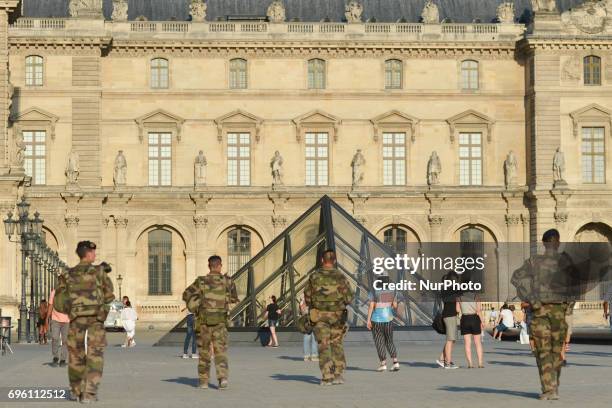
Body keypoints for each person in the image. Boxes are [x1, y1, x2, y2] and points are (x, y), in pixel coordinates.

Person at [511, 228, 573, 400]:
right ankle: (553, 389)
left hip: (539, 310)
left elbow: (516, 278)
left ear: (544, 243)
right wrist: (568, 306)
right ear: (558, 242)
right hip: (559, 311)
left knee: (543, 351)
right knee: (555, 351)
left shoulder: (534, 261)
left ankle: (548, 390)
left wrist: (531, 298)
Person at [55, 241, 115, 403]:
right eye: (93, 253)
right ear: (88, 254)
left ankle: (76, 391)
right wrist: (101, 307)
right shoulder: (100, 272)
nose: (95, 255)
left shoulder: (67, 275)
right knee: (95, 355)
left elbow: (58, 303)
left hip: (76, 320)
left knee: (76, 355)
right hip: (96, 320)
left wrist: (73, 310)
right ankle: (89, 393)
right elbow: (110, 296)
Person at [182, 255, 238, 390]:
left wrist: (197, 304)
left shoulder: (200, 281)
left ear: (209, 266)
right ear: (220, 266)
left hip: (203, 324)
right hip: (220, 324)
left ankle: (203, 381)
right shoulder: (227, 281)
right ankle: (222, 379)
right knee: (221, 352)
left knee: (204, 353)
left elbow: (185, 294)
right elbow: (234, 299)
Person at [304, 249, 354, 386]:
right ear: (335, 261)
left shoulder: (314, 276)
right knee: (337, 343)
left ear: (322, 260)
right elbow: (349, 297)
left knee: (324, 345)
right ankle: (338, 374)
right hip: (337, 317)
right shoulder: (340, 276)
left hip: (319, 316)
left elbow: (307, 297)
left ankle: (327, 376)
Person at [366, 275, 400, 372]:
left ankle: (383, 364)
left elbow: (371, 307)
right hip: (388, 319)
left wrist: (368, 320)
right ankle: (395, 362)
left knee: (379, 341)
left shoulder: (374, 292)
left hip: (376, 320)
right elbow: (395, 305)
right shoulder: (392, 292)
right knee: (389, 341)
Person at [436, 272, 459, 369]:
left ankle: (442, 359)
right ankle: (448, 363)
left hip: (447, 315)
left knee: (451, 339)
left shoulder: (444, 289)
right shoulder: (452, 290)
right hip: (450, 316)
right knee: (450, 340)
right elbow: (457, 307)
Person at [458, 292, 484, 368]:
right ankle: (480, 363)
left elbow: (457, 309)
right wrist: (482, 321)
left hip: (465, 319)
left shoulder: (459, 297)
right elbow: (479, 310)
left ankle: (470, 363)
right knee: (478, 342)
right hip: (474, 318)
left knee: (467, 343)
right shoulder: (476, 296)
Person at [48, 287, 70, 367]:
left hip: (67, 320)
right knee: (55, 338)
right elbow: (50, 305)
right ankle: (55, 357)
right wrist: (47, 318)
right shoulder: (54, 292)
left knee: (65, 340)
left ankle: (63, 359)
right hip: (55, 319)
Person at [299, 297, 318, 362]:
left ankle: (306, 356)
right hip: (312, 320)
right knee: (314, 338)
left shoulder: (303, 300)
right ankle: (314, 356)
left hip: (306, 322)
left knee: (307, 338)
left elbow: (302, 311)